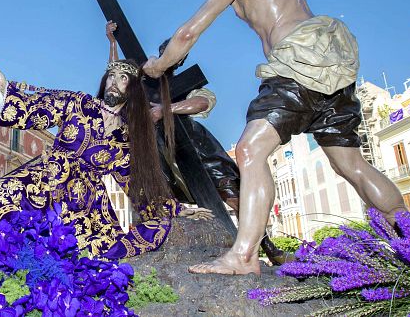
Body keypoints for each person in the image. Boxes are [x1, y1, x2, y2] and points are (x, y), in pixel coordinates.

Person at [143, 0, 406, 275]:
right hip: (332, 66)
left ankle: (244, 255)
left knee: (249, 151)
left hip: (296, 63)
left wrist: (156, 66)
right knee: (350, 163)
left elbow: (187, 35)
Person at [106, 22, 287, 264]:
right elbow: (117, 76)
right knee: (156, 197)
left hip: (195, 147)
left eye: (177, 57)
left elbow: (202, 102)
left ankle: (265, 244)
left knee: (233, 193)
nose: (171, 59)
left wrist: (165, 109)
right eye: (167, 53)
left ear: (181, 61)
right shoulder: (143, 83)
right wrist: (113, 43)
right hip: (157, 151)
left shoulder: (187, 82)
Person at [0, 60, 176, 259]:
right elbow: (39, 110)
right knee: (3, 191)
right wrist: (3, 89)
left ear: (132, 89)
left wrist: (176, 208)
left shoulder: (128, 136)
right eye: (111, 76)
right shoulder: (79, 103)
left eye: (123, 78)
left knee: (78, 241)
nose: (114, 82)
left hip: (87, 202)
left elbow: (131, 182)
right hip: (49, 178)